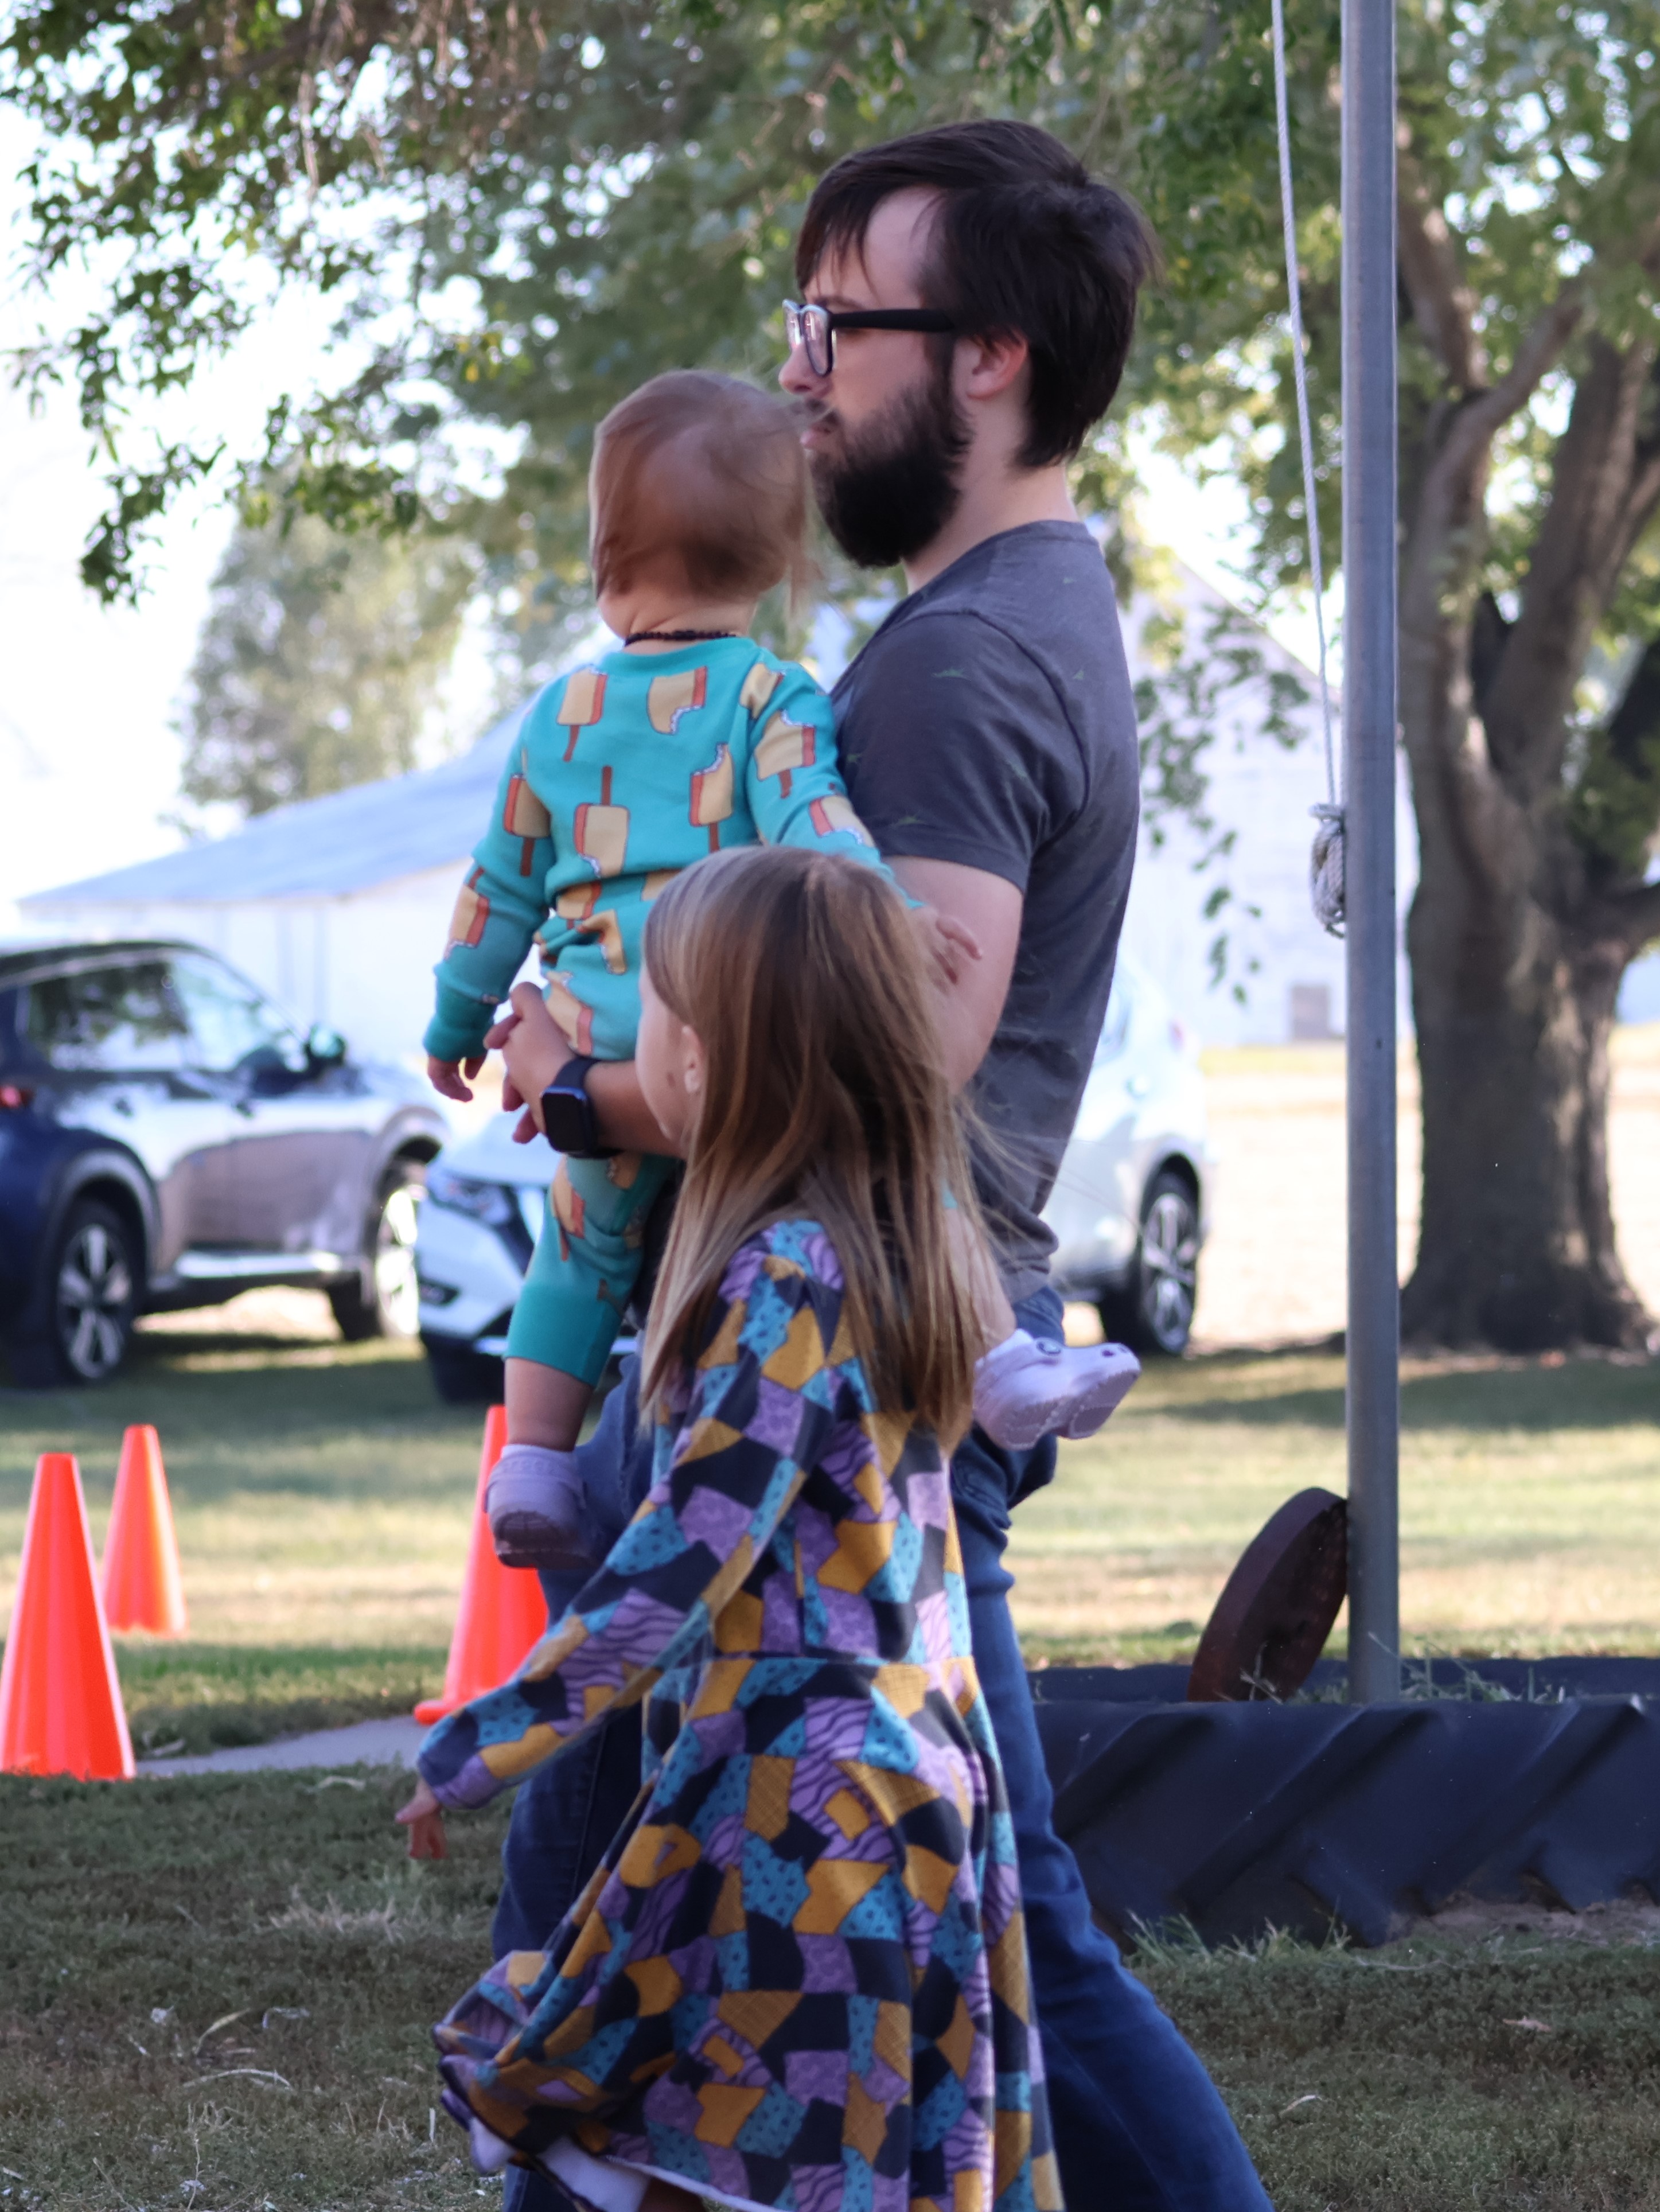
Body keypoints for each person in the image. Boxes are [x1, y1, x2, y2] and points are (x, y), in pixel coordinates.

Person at [479, 119, 1273, 2212]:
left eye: (837, 323)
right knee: (629, 1899)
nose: (797, 371)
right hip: (842, 1349)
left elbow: (881, 1052)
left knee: (964, 1919)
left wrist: (582, 1089)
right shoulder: (1011, 616)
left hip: (835, 1373)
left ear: (986, 356)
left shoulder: (952, 665)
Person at [399, 845, 1064, 2212]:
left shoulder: (786, 1277)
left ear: (700, 1059)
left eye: (648, 1010)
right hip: (909, 1789)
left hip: (807, 1817)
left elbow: (685, 1554)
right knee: (794, 2156)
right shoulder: (901, 1254)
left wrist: (483, 1741)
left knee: (739, 2150)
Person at [422, 369, 1139, 1569]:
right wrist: (891, 911)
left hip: (596, 1025)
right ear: (778, 565)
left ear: (603, 560)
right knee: (912, 1167)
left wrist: (456, 1022)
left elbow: (496, 888)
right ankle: (1000, 1360)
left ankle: (535, 1459)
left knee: (580, 1248)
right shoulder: (769, 697)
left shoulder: (557, 717)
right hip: (715, 1014)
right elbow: (815, 825)